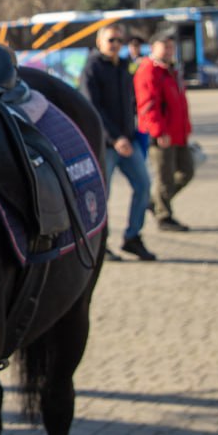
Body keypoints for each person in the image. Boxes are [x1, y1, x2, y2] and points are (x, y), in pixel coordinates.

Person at [80, 24, 155, 261]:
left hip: (129, 141)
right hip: (107, 145)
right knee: (103, 196)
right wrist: (115, 137)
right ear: (100, 42)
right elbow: (93, 108)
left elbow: (132, 101)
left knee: (143, 185)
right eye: (111, 40)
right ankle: (99, 244)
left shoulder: (124, 66)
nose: (116, 45)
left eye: (119, 41)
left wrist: (135, 129)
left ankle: (132, 238)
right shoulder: (92, 68)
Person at [134, 32, 193, 232]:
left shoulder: (171, 69)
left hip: (179, 132)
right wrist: (159, 132)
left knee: (186, 172)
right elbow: (147, 106)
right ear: (153, 48)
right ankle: (164, 216)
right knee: (164, 178)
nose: (169, 51)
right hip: (162, 135)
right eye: (165, 46)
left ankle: (156, 202)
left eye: (171, 47)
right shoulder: (149, 70)